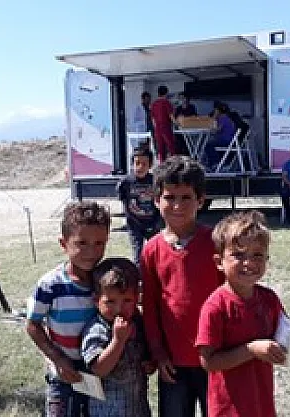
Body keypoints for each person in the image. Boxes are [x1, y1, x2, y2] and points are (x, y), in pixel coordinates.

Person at [140, 155, 225, 417]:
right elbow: (150, 305)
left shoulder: (216, 243)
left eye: (186, 197)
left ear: (201, 200)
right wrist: (157, 351)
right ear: (157, 200)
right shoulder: (151, 250)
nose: (177, 205)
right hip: (172, 361)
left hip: (214, 356)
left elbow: (228, 296)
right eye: (170, 197)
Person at [196, 211, 287, 417]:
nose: (249, 263)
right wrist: (252, 350)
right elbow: (208, 362)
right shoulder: (215, 307)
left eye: (257, 255)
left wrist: (279, 349)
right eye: (238, 255)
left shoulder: (269, 299)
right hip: (229, 409)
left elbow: (282, 333)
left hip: (261, 402)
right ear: (219, 262)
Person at [26, 201, 111, 417]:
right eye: (82, 243)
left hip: (99, 371)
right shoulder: (50, 285)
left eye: (99, 243)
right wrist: (58, 359)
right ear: (63, 244)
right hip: (63, 373)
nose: (91, 251)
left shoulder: (106, 283)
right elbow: (33, 325)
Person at [80, 258, 153, 417]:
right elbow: (99, 369)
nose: (119, 308)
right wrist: (118, 341)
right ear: (96, 300)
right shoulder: (97, 329)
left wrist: (149, 362)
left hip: (137, 409)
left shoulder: (137, 323)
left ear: (137, 298)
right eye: (110, 302)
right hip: (108, 411)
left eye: (127, 300)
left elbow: (144, 353)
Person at [116, 147, 160, 266]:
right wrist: (130, 217)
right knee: (138, 254)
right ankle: (139, 276)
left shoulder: (155, 181)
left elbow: (159, 201)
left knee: (156, 252)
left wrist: (157, 221)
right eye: (137, 163)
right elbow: (124, 201)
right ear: (132, 164)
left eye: (144, 164)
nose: (140, 167)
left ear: (150, 165)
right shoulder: (125, 182)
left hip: (152, 223)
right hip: (134, 224)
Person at [203, 101, 236, 171]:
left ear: (218, 111)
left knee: (208, 145)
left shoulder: (223, 118)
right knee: (210, 143)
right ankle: (212, 164)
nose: (214, 112)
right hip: (227, 140)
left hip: (226, 140)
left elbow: (217, 130)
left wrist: (214, 118)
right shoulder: (225, 117)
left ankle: (215, 163)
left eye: (215, 110)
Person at [150, 85, 177, 163]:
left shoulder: (153, 104)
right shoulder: (166, 102)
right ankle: (174, 165)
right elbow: (171, 116)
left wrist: (156, 128)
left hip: (157, 129)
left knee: (161, 149)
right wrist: (177, 123)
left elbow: (153, 120)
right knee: (171, 147)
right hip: (166, 128)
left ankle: (162, 166)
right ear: (166, 93)